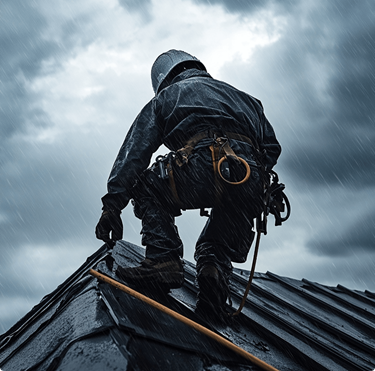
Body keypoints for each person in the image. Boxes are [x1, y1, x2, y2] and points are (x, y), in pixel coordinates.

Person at [96, 49, 281, 321]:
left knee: (146, 186)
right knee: (217, 241)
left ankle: (163, 260)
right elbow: (271, 149)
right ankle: (213, 280)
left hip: (203, 167)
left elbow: (134, 154)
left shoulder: (166, 98)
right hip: (249, 178)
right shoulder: (248, 100)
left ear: (163, 79)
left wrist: (112, 207)